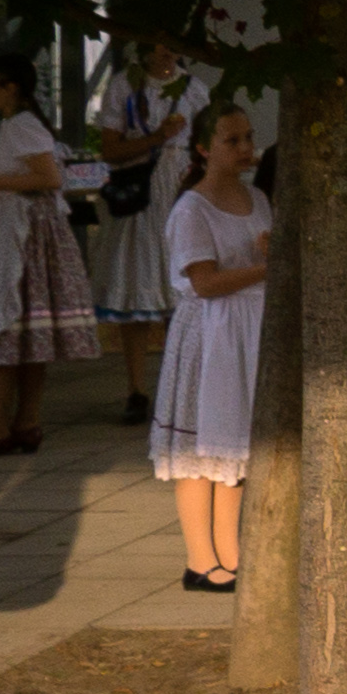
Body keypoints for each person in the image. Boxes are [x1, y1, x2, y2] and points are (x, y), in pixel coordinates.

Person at [0, 55, 93, 452]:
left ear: (12, 88)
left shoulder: (23, 124)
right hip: (20, 228)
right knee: (25, 330)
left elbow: (48, 177)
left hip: (22, 233)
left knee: (7, 322)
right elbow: (12, 174)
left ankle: (0, 422)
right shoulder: (17, 126)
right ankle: (25, 420)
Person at [151, 104, 269, 597]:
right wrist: (270, 265)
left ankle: (231, 551)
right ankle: (201, 559)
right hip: (211, 331)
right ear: (203, 149)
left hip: (250, 327)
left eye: (247, 138)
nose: (245, 149)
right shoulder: (192, 209)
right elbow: (204, 283)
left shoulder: (259, 198)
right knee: (201, 449)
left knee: (234, 448)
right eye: (232, 141)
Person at [79, 39, 187, 425]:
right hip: (142, 199)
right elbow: (110, 149)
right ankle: (137, 389)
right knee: (140, 298)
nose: (165, 50)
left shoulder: (194, 88)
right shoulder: (124, 85)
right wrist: (157, 138)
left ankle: (180, 388)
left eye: (170, 42)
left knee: (183, 298)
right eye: (157, 43)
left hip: (181, 192)